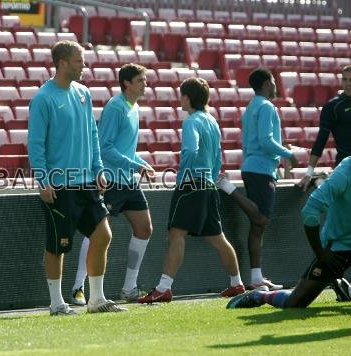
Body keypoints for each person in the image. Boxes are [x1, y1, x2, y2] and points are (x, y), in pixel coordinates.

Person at [28, 40, 126, 315]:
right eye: (79, 60)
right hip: (60, 185)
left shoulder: (83, 93)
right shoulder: (43, 98)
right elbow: (35, 144)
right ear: (62, 63)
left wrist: (98, 169)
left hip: (86, 183)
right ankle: (56, 303)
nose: (83, 65)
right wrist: (43, 180)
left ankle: (97, 300)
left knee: (103, 235)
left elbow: (93, 135)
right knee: (58, 245)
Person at [137, 77, 245, 304]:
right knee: (218, 238)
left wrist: (183, 175)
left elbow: (190, 149)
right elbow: (217, 157)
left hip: (191, 185)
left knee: (176, 235)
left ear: (187, 97)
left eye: (181, 95)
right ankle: (237, 284)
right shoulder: (212, 121)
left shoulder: (191, 121)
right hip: (208, 185)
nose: (179, 99)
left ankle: (163, 289)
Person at [69, 63, 155, 306]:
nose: (145, 83)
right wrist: (134, 165)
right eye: (140, 80)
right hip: (111, 181)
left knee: (144, 228)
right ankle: (78, 287)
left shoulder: (134, 107)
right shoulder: (115, 107)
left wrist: (141, 163)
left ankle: (129, 288)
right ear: (126, 83)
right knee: (96, 232)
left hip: (128, 181)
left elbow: (126, 148)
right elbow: (105, 146)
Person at [227, 157, 351, 309]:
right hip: (339, 246)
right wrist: (321, 253)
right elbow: (310, 211)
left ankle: (345, 289)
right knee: (295, 303)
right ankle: (260, 295)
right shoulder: (346, 171)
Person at [217, 68, 298, 291]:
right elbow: (266, 140)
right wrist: (289, 154)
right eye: (273, 82)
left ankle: (256, 278)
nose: (275, 86)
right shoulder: (266, 106)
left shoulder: (251, 106)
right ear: (265, 84)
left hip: (252, 167)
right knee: (261, 219)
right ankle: (228, 188)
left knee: (257, 227)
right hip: (261, 169)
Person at [297, 65, 351, 191]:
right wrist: (309, 173)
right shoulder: (332, 107)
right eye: (345, 80)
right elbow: (321, 140)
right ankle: (317, 178)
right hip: (345, 169)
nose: (348, 84)